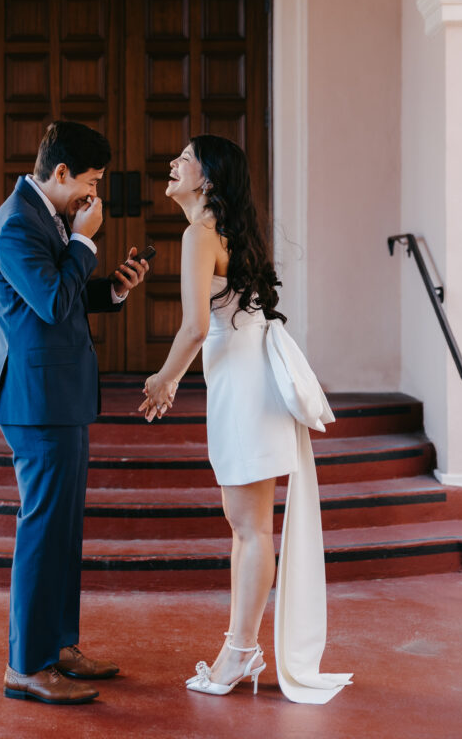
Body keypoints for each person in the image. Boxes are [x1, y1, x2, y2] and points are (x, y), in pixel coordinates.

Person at [139, 135, 351, 703]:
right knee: (245, 526)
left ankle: (240, 651)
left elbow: (193, 327)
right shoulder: (223, 232)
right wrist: (179, 379)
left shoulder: (198, 234)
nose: (172, 163)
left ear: (207, 178)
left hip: (244, 388)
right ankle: (241, 647)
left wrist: (164, 380)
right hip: (244, 380)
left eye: (183, 158)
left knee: (250, 527)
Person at [0, 120, 149, 705]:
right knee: (42, 529)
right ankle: (26, 665)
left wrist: (116, 289)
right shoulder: (13, 226)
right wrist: (84, 242)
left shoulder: (43, 217)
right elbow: (53, 302)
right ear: (59, 173)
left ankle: (60, 646)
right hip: (35, 403)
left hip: (61, 396)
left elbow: (65, 294)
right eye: (90, 181)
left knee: (64, 530)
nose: (93, 195)